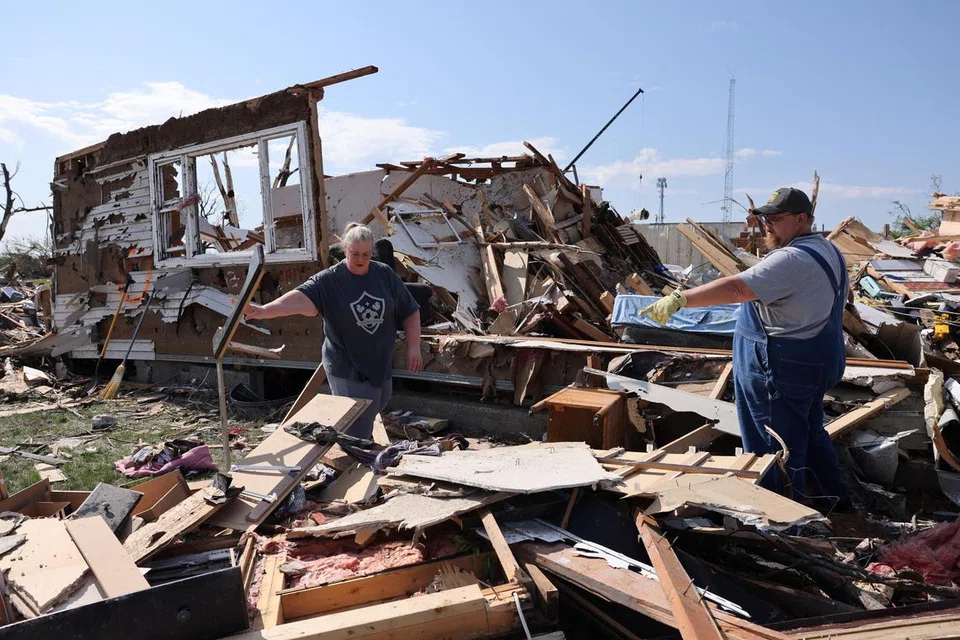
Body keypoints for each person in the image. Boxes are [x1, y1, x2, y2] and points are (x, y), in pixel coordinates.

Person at [641, 188, 849, 507]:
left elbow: (739, 288)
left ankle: (782, 517)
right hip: (816, 359)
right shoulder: (827, 249)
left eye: (775, 219)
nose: (767, 225)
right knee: (809, 434)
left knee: (773, 448)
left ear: (801, 219)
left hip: (781, 368)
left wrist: (680, 299)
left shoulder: (790, 259)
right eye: (765, 219)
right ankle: (834, 503)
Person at [244, 223, 422, 439]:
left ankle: (358, 450)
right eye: (355, 254)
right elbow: (299, 300)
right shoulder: (330, 280)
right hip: (347, 365)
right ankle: (354, 456)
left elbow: (410, 310)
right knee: (358, 421)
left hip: (380, 363)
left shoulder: (384, 274)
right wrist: (264, 310)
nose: (360, 259)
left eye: (366, 254)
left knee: (378, 404)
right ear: (345, 250)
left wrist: (414, 347)